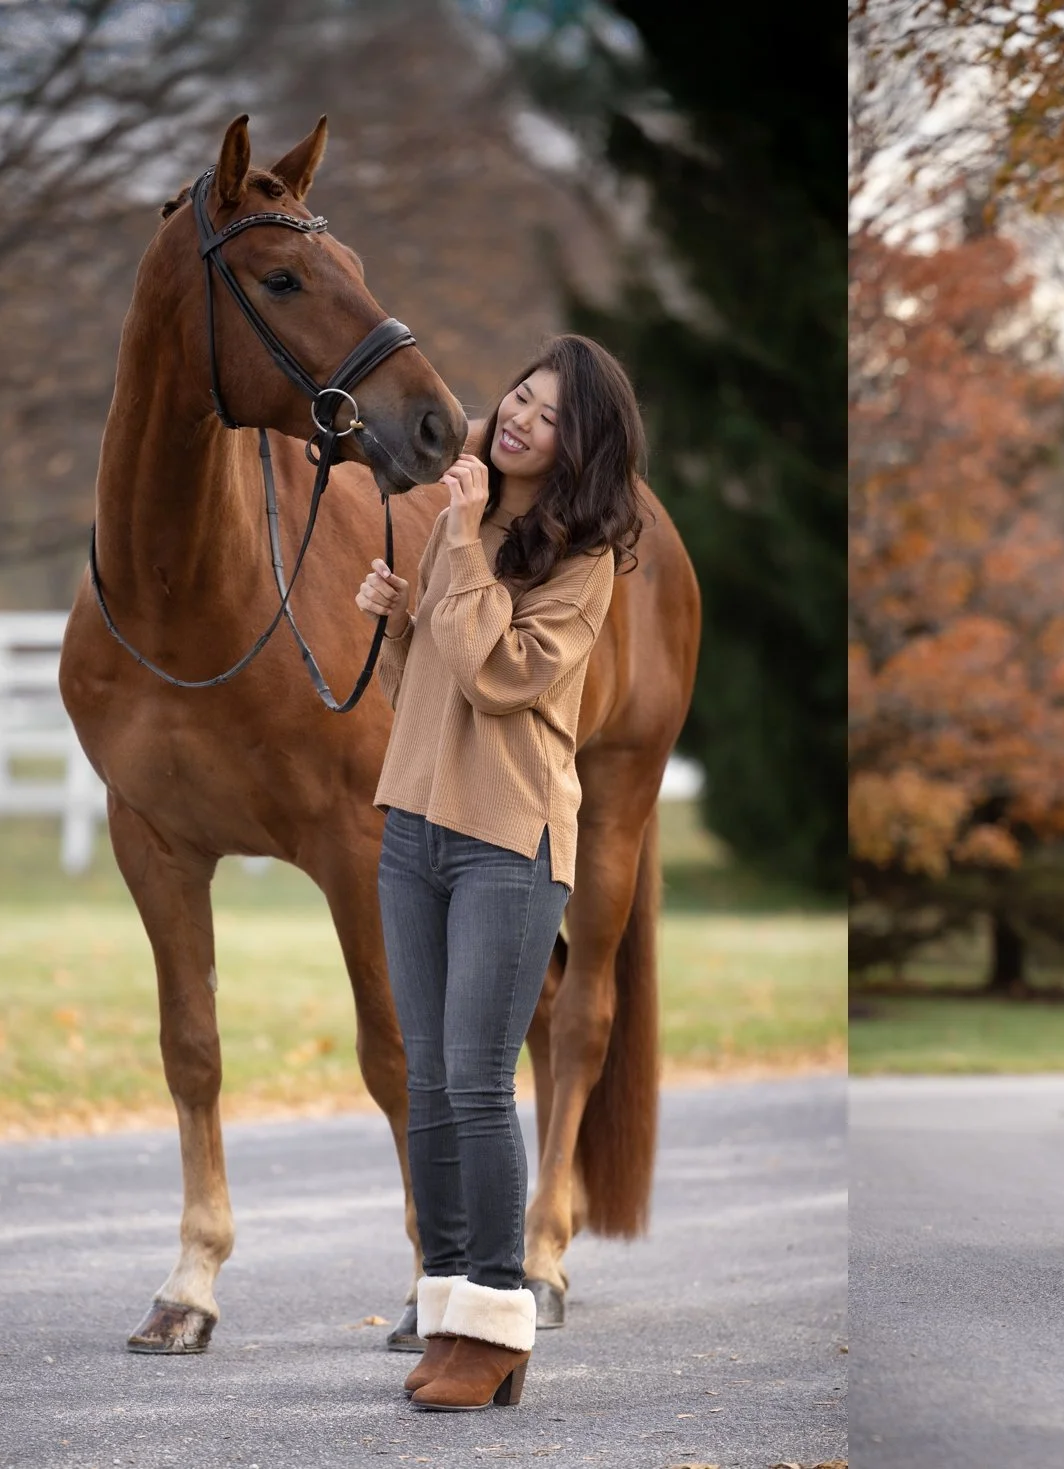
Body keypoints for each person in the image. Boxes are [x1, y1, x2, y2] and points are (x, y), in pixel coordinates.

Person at [353, 335, 645, 1409]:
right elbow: (429, 682)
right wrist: (399, 623)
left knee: (476, 1082)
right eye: (519, 394)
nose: (519, 416)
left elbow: (506, 673)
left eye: (550, 413)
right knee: (426, 1083)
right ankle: (446, 1313)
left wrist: (462, 550)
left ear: (582, 446)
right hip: (414, 825)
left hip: (508, 842)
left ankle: (497, 1322)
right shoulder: (457, 527)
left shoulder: (585, 559)